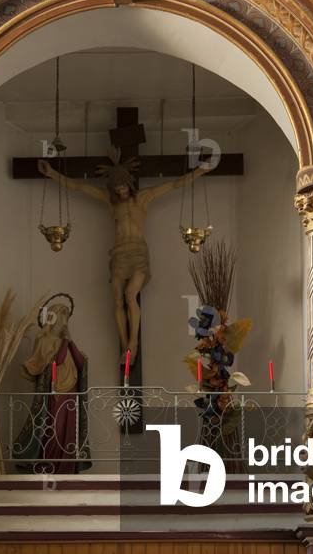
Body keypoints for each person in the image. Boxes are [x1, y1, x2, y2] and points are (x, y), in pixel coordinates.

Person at [38, 155, 207, 363]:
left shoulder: (143, 198)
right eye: (117, 189)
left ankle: (133, 343)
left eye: (123, 187)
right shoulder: (110, 203)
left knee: (130, 295)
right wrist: (52, 174)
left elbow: (174, 184)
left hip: (138, 254)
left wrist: (200, 171)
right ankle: (125, 344)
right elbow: (78, 187)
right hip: (119, 254)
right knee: (117, 301)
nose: (121, 191)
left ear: (129, 183)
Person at [13, 294, 91, 474]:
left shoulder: (68, 342)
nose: (64, 323)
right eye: (61, 319)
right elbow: (58, 359)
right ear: (52, 320)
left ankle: (67, 468)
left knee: (69, 432)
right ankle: (48, 466)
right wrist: (65, 342)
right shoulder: (44, 341)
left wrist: (70, 342)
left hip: (71, 392)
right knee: (53, 430)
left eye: (66, 319)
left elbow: (80, 364)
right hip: (54, 392)